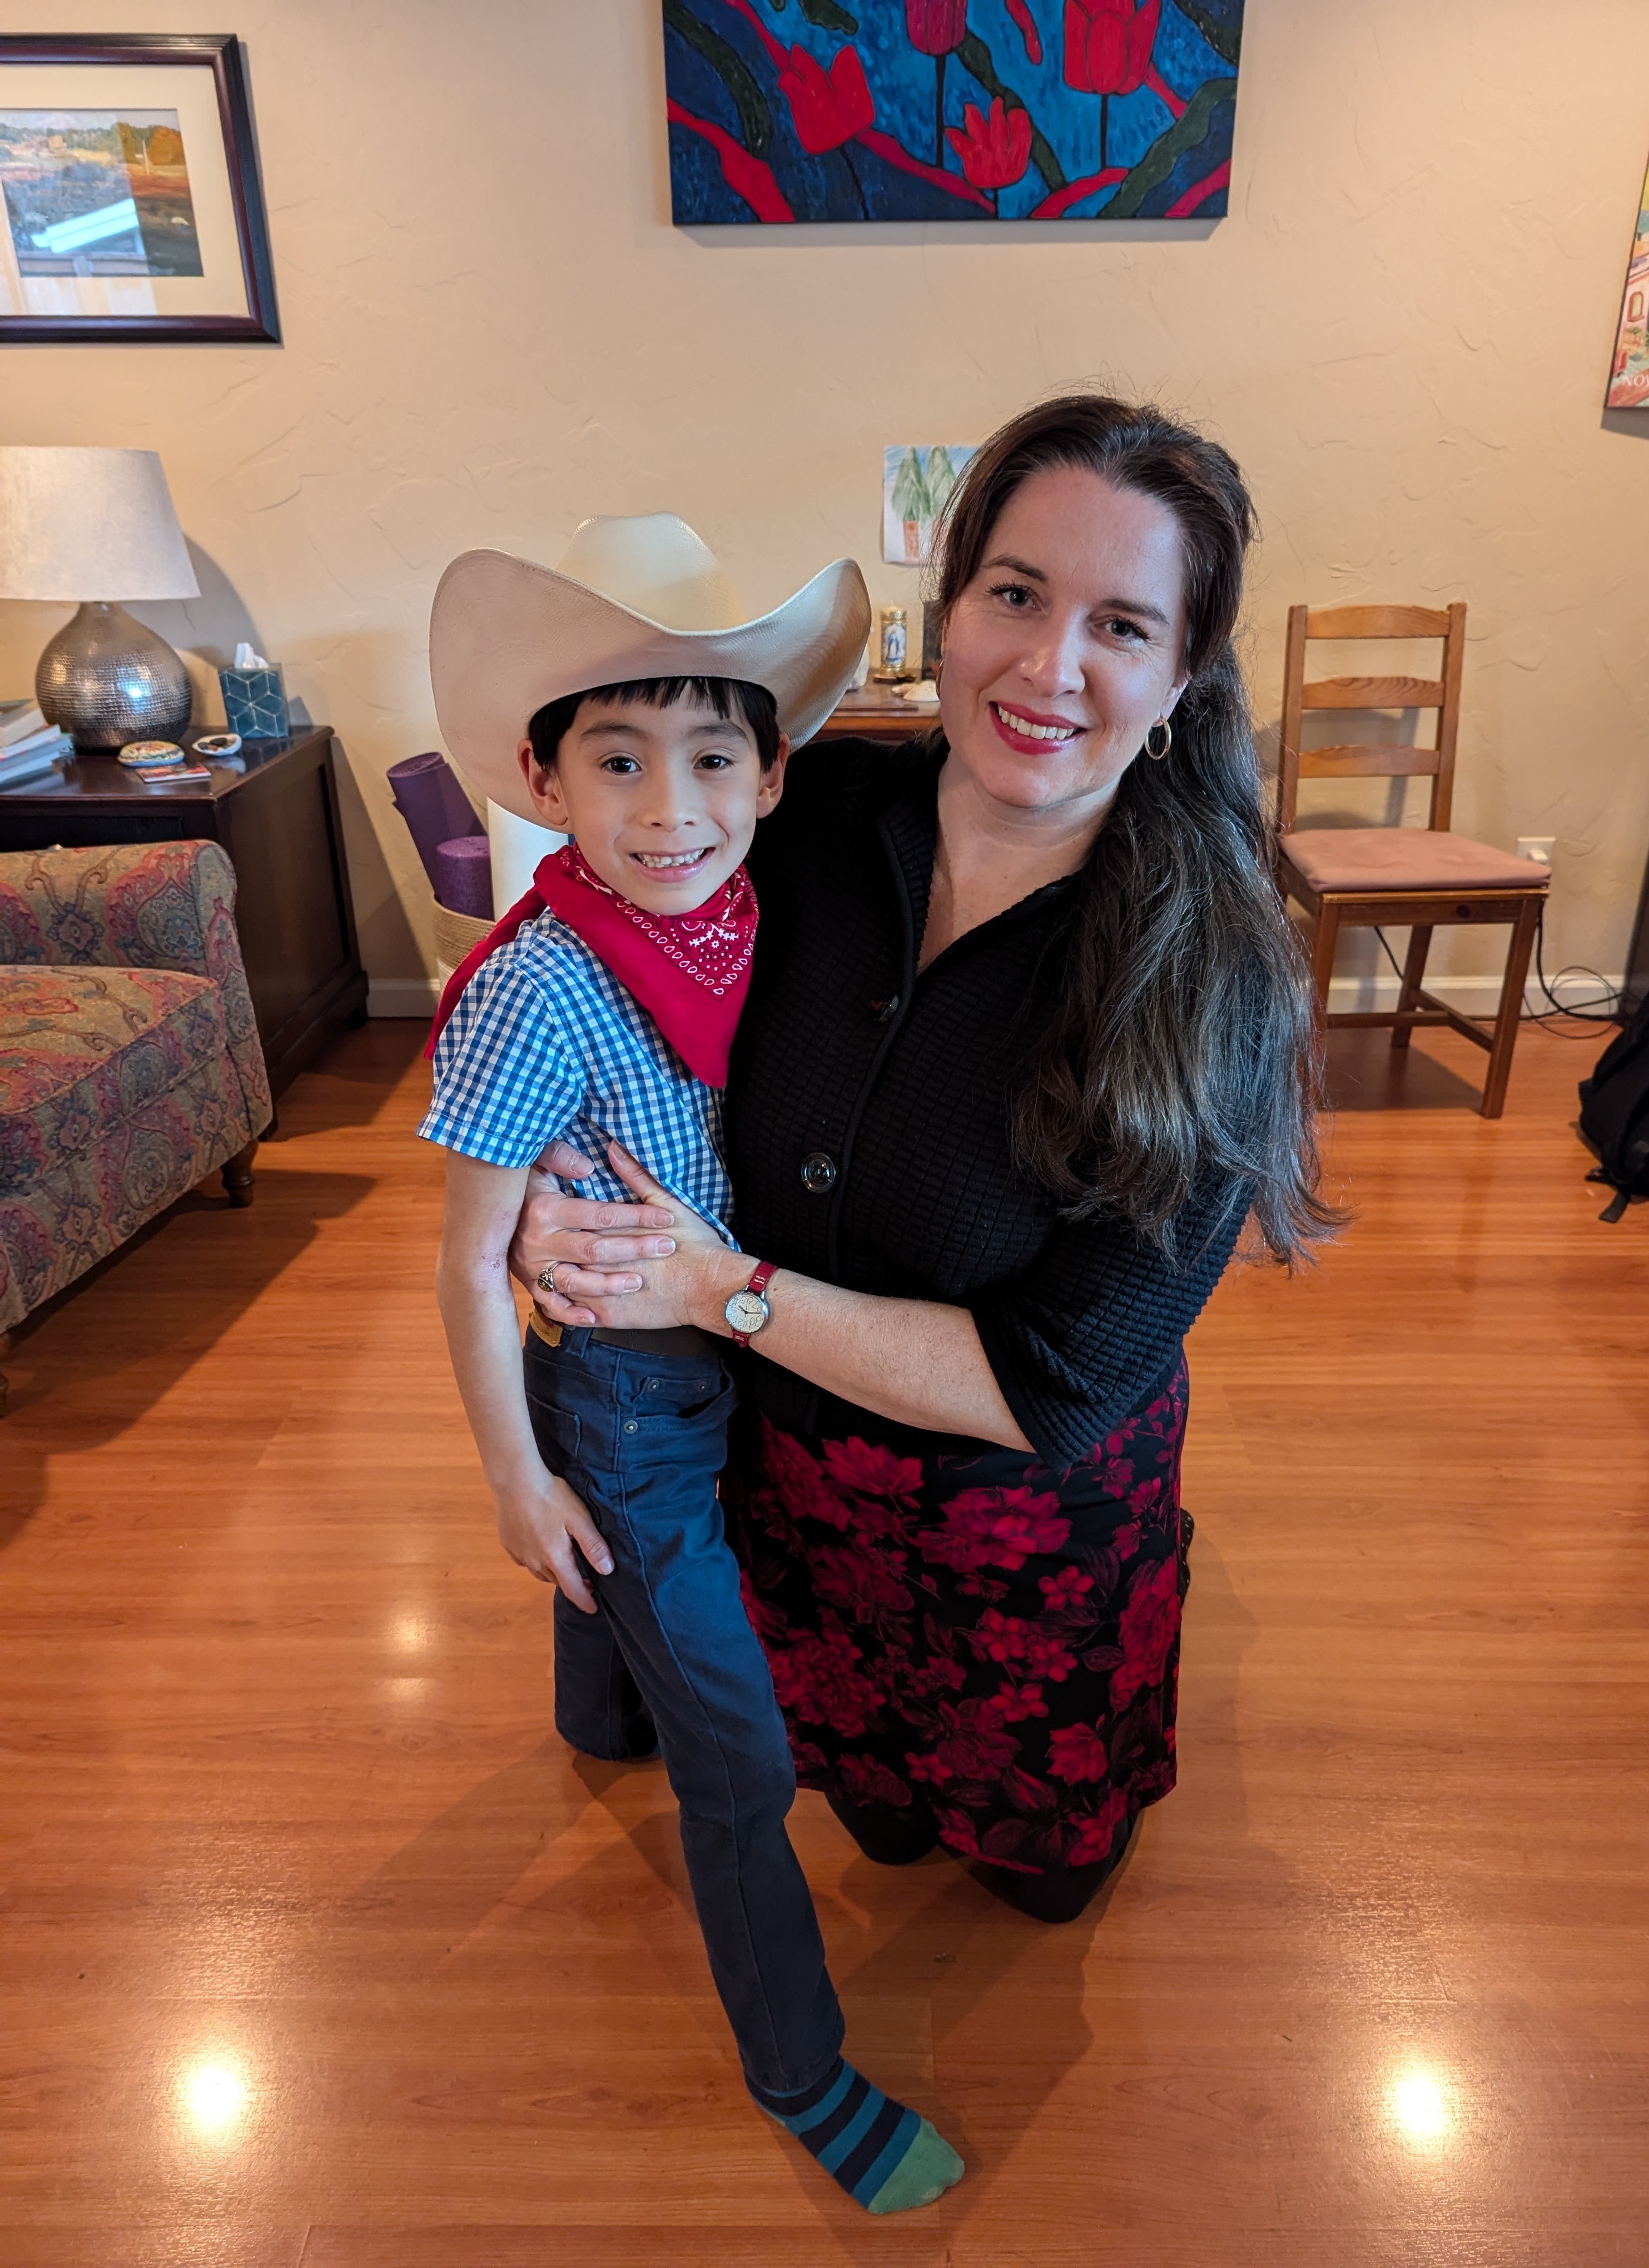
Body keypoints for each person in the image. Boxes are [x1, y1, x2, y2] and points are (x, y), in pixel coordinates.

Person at [515, 394, 1334, 1927]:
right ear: (947, 609)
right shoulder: (788, 822)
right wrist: (544, 1212)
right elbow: (588, 1024)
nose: (1050, 666)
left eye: (1122, 626)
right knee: (880, 1826)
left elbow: (1060, 1381)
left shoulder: (1217, 976)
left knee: (1046, 1882)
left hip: (1020, 1539)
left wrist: (717, 1289)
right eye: (1015, 594)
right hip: (789, 1490)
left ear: (1183, 674)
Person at [420, 512, 964, 2215]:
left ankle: (596, 1711)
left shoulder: (748, 921)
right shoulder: (540, 989)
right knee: (745, 1759)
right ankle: (802, 2072)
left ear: (773, 774)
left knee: (643, 1616)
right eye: (619, 761)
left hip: (731, 1339)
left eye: (713, 758)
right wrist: (515, 1478)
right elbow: (465, 1253)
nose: (672, 809)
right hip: (622, 1396)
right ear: (545, 779)